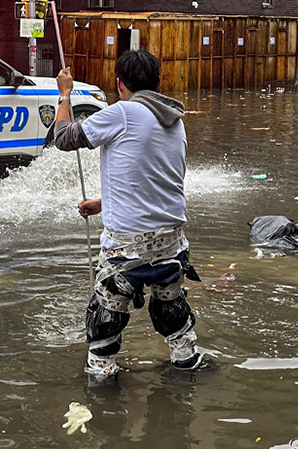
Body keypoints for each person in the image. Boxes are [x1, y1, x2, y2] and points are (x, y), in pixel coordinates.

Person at [53, 50, 206, 378]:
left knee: (104, 324)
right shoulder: (174, 120)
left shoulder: (122, 112)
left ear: (120, 84)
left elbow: (63, 138)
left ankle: (103, 385)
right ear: (156, 82)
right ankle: (187, 364)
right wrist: (103, 203)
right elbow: (154, 182)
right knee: (174, 316)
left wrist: (64, 95)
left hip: (127, 249)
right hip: (173, 246)